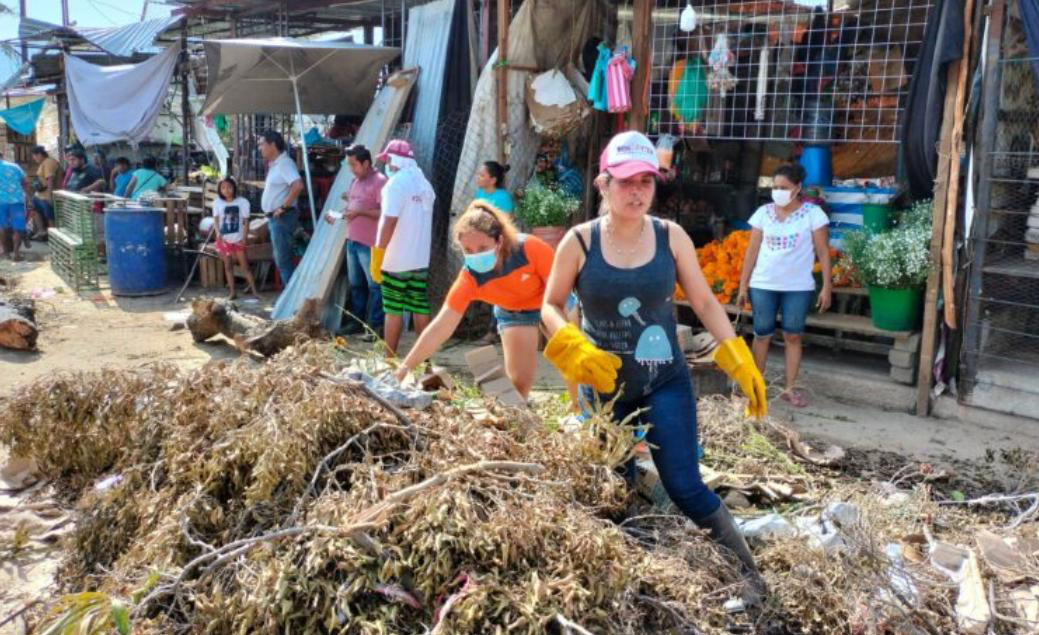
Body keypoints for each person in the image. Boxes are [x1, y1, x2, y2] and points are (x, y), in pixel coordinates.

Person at [540, 131, 768, 606]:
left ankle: (750, 580)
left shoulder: (671, 236)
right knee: (612, 488)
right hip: (603, 389)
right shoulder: (579, 242)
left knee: (684, 483)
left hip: (665, 379)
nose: (637, 190)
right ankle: (623, 586)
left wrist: (736, 356)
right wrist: (572, 345)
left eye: (646, 180)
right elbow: (550, 305)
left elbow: (704, 300)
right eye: (625, 181)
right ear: (603, 183)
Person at [394, 201, 554, 398]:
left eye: (482, 247)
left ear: (500, 241)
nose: (475, 254)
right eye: (467, 250)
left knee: (573, 363)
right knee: (520, 385)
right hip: (514, 312)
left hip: (552, 302)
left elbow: (559, 292)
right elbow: (441, 327)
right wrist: (405, 367)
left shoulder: (530, 248)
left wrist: (564, 331)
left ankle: (581, 412)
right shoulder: (469, 279)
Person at [737, 164, 831, 409]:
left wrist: (827, 287)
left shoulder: (813, 215)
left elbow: (823, 252)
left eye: (784, 187)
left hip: (798, 287)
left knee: (793, 334)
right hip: (763, 284)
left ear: (797, 188)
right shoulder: (763, 213)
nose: (778, 192)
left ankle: (790, 388)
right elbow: (752, 251)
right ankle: (756, 385)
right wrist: (743, 285)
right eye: (775, 187)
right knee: (762, 334)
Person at [369, 140, 435, 356]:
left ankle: (390, 359)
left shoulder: (395, 184)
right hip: (420, 258)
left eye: (387, 160)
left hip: (396, 259)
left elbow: (388, 221)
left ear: (395, 160)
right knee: (419, 305)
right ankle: (424, 360)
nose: (386, 164)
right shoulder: (424, 184)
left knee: (393, 310)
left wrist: (378, 253)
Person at [325, 144, 386, 335]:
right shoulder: (355, 182)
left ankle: (375, 327)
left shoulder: (380, 182)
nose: (351, 169)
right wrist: (338, 215)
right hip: (352, 240)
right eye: (349, 165)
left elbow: (385, 213)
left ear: (366, 163)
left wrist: (360, 212)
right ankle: (357, 322)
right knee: (356, 285)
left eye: (354, 165)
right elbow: (352, 209)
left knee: (375, 285)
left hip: (370, 244)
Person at [258, 129, 304, 286]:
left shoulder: (284, 163)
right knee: (283, 261)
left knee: (284, 261)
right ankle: (290, 299)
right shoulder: (276, 164)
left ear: (272, 145)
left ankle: (291, 301)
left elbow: (297, 185)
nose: (260, 148)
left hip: (282, 218)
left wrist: (283, 208)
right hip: (277, 218)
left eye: (262, 144)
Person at [212, 177, 259, 299]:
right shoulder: (217, 203)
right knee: (228, 266)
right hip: (224, 240)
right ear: (220, 190)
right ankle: (232, 292)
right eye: (223, 188)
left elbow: (246, 221)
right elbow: (216, 221)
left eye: (229, 187)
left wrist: (244, 238)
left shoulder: (242, 202)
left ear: (234, 188)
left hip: (238, 239)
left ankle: (255, 292)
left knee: (245, 266)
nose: (226, 190)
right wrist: (217, 233)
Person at [0, 154, 32, 261]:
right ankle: (16, 254)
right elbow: (25, 183)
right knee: (17, 229)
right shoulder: (15, 167)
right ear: (2, 156)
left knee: (2, 227)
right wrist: (29, 198)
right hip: (17, 201)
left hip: (1, 202)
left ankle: (5, 253)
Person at [30, 146, 61, 238]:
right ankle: (42, 231)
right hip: (40, 195)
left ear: (39, 154)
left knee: (50, 217)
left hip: (47, 195)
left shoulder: (49, 162)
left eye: (34, 156)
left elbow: (50, 179)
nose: (34, 159)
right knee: (35, 210)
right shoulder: (44, 163)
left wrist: (49, 195)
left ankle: (54, 237)